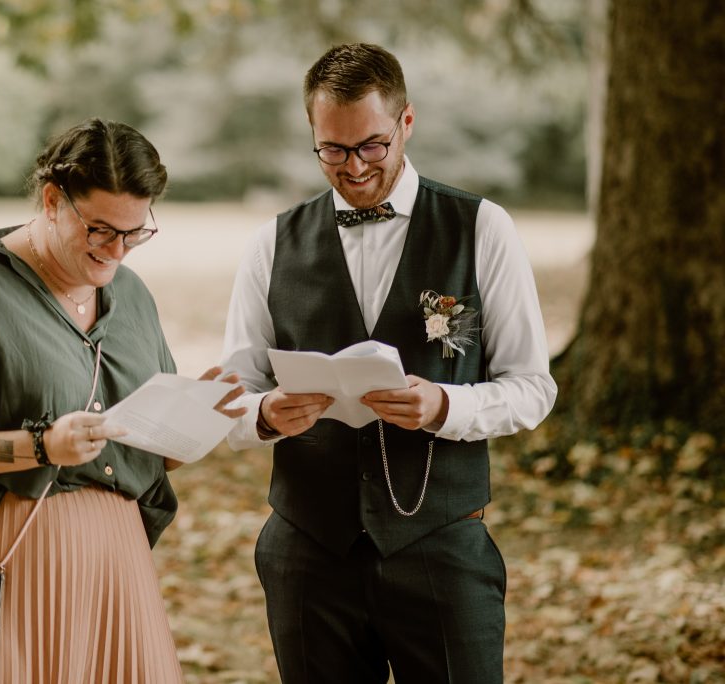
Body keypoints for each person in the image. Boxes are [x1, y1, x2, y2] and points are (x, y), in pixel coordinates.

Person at [220, 44, 557, 683]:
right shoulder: (271, 243)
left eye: (371, 145)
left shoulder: (482, 227)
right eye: (333, 150)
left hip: (443, 548)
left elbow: (533, 387)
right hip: (308, 554)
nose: (353, 167)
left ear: (406, 122)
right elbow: (231, 390)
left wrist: (446, 405)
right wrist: (262, 414)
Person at [0, 118, 243, 682]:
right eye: (99, 230)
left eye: (135, 232)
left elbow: (149, 449)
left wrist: (195, 421)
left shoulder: (132, 295)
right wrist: (42, 445)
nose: (116, 250)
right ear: (53, 200)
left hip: (116, 572)